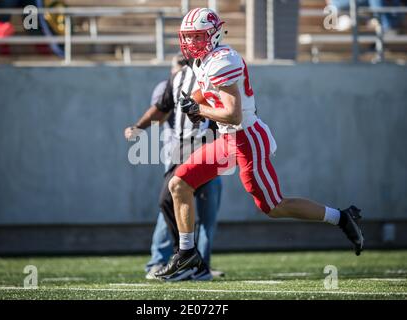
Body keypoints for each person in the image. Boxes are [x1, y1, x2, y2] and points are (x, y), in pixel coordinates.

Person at [155, 8, 364, 281]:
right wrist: (193, 101)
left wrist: (199, 109)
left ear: (215, 35)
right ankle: (187, 253)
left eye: (198, 37)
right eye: (188, 37)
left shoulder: (223, 60)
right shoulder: (204, 60)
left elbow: (233, 114)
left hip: (247, 139)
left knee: (273, 206)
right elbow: (205, 90)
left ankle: (341, 217)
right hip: (228, 139)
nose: (192, 43)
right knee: (179, 183)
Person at [124, 55, 222, 281]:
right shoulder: (177, 79)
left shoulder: (214, 73)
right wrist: (138, 127)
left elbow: (232, 108)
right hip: (182, 148)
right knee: (169, 200)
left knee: (197, 210)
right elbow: (161, 108)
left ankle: (192, 262)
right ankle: (190, 261)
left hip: (207, 144)